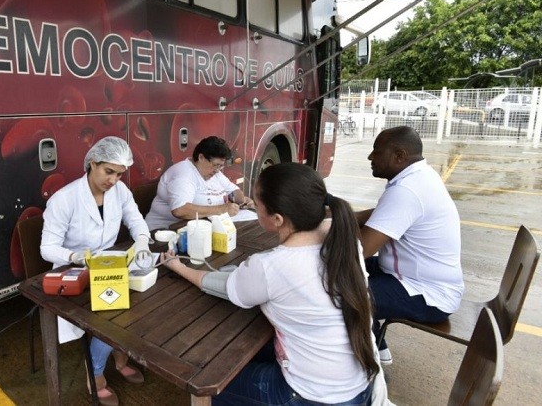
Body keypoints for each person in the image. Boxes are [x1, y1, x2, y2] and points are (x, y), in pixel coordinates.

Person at [161, 162, 384, 405]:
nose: (254, 209)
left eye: (257, 205)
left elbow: (224, 286)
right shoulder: (343, 235)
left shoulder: (271, 265)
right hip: (361, 382)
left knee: (210, 388)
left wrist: (178, 267)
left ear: (277, 219)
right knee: (253, 351)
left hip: (312, 396)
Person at [40, 136, 150, 406]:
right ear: (92, 164)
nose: (113, 180)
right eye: (108, 171)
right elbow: (47, 248)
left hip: (108, 265)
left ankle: (118, 352)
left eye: (120, 174)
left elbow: (135, 220)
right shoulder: (64, 199)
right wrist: (75, 256)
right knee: (112, 312)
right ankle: (97, 374)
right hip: (74, 272)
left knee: (143, 298)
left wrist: (143, 241)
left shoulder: (120, 192)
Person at [356, 126, 464, 365]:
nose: (370, 157)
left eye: (376, 151)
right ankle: (377, 345)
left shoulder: (407, 190)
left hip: (427, 293)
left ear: (399, 156)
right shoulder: (419, 176)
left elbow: (360, 250)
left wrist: (314, 240)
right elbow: (383, 214)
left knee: (347, 293)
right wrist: (339, 215)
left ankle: (365, 363)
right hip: (411, 277)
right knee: (346, 274)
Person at [145, 136, 254, 230]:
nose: (218, 170)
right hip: (165, 234)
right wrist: (222, 209)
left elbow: (234, 190)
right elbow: (180, 210)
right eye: (216, 165)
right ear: (201, 157)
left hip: (199, 229)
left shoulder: (213, 172)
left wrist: (240, 200)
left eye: (221, 166)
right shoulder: (184, 174)